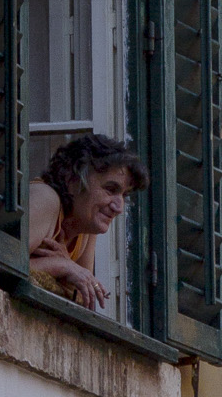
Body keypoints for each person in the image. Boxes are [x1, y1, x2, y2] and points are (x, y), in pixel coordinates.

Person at [28, 133, 148, 312]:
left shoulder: (85, 225)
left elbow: (83, 298)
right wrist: (61, 265)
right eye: (110, 189)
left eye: (124, 195)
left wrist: (67, 267)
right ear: (72, 179)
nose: (119, 207)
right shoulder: (46, 198)